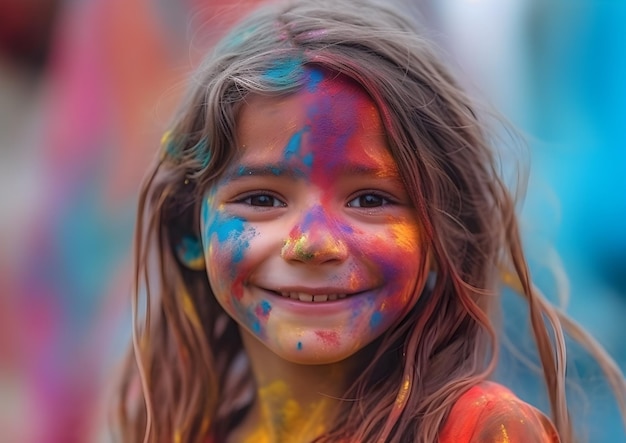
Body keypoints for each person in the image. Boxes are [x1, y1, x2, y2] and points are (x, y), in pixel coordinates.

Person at [116, 0, 626, 442]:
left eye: (368, 200)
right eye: (263, 199)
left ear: (441, 232)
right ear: (189, 230)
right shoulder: (189, 435)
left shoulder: (479, 431)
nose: (312, 244)